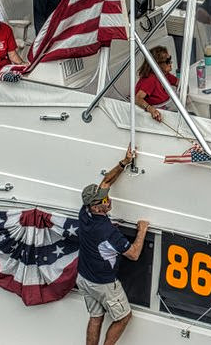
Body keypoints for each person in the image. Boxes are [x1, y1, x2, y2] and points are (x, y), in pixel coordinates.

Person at [77, 146, 149, 345]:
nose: (109, 200)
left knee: (96, 317)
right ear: (96, 206)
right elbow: (133, 254)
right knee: (124, 317)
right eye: (105, 200)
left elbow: (107, 181)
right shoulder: (107, 231)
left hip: (83, 277)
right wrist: (142, 230)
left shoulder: (84, 212)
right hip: (103, 284)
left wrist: (124, 162)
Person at [134, 45, 179, 122]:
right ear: (158, 64)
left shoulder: (165, 75)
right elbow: (137, 98)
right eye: (167, 61)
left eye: (170, 59)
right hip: (157, 114)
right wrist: (150, 109)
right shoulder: (150, 79)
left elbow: (179, 83)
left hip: (165, 109)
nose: (171, 63)